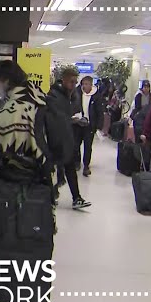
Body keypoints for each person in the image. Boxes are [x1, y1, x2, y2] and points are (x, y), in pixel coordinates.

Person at [47, 67, 92, 209]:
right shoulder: (54, 95)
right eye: (71, 81)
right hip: (54, 138)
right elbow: (56, 117)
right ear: (64, 80)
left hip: (67, 138)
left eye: (75, 82)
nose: (74, 84)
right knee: (52, 170)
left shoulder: (72, 96)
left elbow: (71, 112)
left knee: (70, 168)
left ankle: (76, 197)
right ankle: (50, 196)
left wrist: (76, 119)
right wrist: (71, 120)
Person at [71, 75, 104, 176]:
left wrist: (98, 126)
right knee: (76, 145)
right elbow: (72, 106)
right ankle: (77, 162)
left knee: (88, 146)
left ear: (91, 84)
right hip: (78, 124)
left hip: (89, 125)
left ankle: (86, 165)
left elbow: (99, 112)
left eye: (87, 84)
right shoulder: (76, 93)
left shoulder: (96, 96)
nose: (85, 86)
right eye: (83, 84)